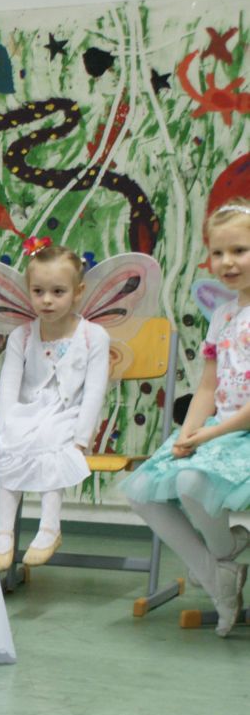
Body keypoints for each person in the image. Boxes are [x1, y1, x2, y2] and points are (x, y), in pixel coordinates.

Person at [125, 200, 250, 636]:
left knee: (191, 482)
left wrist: (208, 436)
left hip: (241, 432)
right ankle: (220, 576)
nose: (227, 262)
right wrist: (188, 432)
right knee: (143, 492)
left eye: (240, 250)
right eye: (218, 252)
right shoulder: (224, 315)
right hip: (220, 429)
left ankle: (224, 559)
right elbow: (208, 387)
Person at [0, 245, 109, 571]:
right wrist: (6, 428)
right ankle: (4, 533)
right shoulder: (22, 336)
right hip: (30, 413)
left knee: (52, 440)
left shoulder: (94, 336)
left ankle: (49, 527)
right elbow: (8, 386)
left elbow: (94, 391)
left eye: (58, 292)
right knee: (11, 443)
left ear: (78, 292)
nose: (47, 300)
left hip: (69, 413)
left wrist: (82, 438)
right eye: (38, 291)